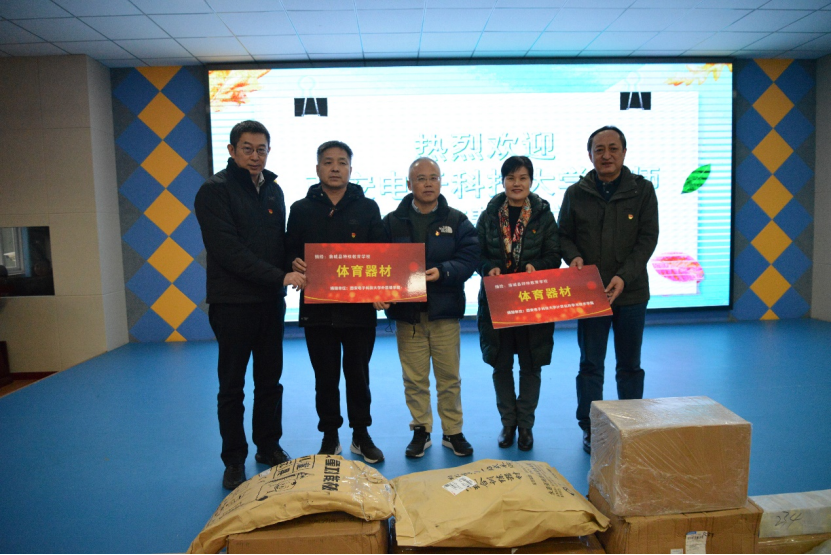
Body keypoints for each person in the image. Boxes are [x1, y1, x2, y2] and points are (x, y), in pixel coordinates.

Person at [194, 120, 306, 490]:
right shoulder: (214, 191)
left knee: (270, 381)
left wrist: (293, 262)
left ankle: (268, 446)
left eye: (261, 149)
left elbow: (280, 241)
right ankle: (233, 459)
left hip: (270, 303)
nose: (255, 156)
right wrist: (280, 276)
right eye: (247, 148)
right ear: (231, 150)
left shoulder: (273, 190)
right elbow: (228, 251)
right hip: (232, 303)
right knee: (232, 386)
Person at [558, 125, 659, 454]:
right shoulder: (576, 193)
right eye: (599, 149)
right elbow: (563, 235)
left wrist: (624, 276)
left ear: (624, 152)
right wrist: (573, 257)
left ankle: (631, 425)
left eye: (613, 148)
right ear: (589, 155)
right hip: (590, 294)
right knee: (590, 365)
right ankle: (592, 428)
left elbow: (648, 239)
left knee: (629, 365)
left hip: (631, 293)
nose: (606, 155)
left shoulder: (642, 191)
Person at [286, 140, 387, 464]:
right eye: (328, 162)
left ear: (350, 169)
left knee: (359, 375)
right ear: (317, 168)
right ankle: (330, 435)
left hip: (359, 311)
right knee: (325, 378)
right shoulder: (300, 209)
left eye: (341, 162)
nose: (334, 168)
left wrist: (383, 291)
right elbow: (288, 250)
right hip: (318, 311)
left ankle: (361, 434)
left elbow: (382, 255)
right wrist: (293, 262)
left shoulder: (368, 208)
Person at [375, 157, 479, 458]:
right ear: (409, 184)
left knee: (449, 378)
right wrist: (379, 292)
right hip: (408, 315)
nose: (428, 183)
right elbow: (379, 262)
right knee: (414, 379)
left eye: (434, 177)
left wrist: (444, 271)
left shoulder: (457, 220)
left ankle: (453, 431)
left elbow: (471, 256)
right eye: (421, 178)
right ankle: (421, 430)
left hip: (444, 313)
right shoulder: (392, 221)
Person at [476, 156, 561, 451]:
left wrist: (538, 267)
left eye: (522, 178)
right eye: (511, 178)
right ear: (503, 181)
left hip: (531, 301)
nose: (516, 183)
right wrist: (488, 268)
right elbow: (476, 252)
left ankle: (525, 425)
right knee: (501, 365)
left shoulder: (543, 215)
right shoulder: (489, 215)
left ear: (531, 181)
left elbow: (554, 255)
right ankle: (508, 423)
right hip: (497, 302)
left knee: (531, 364)